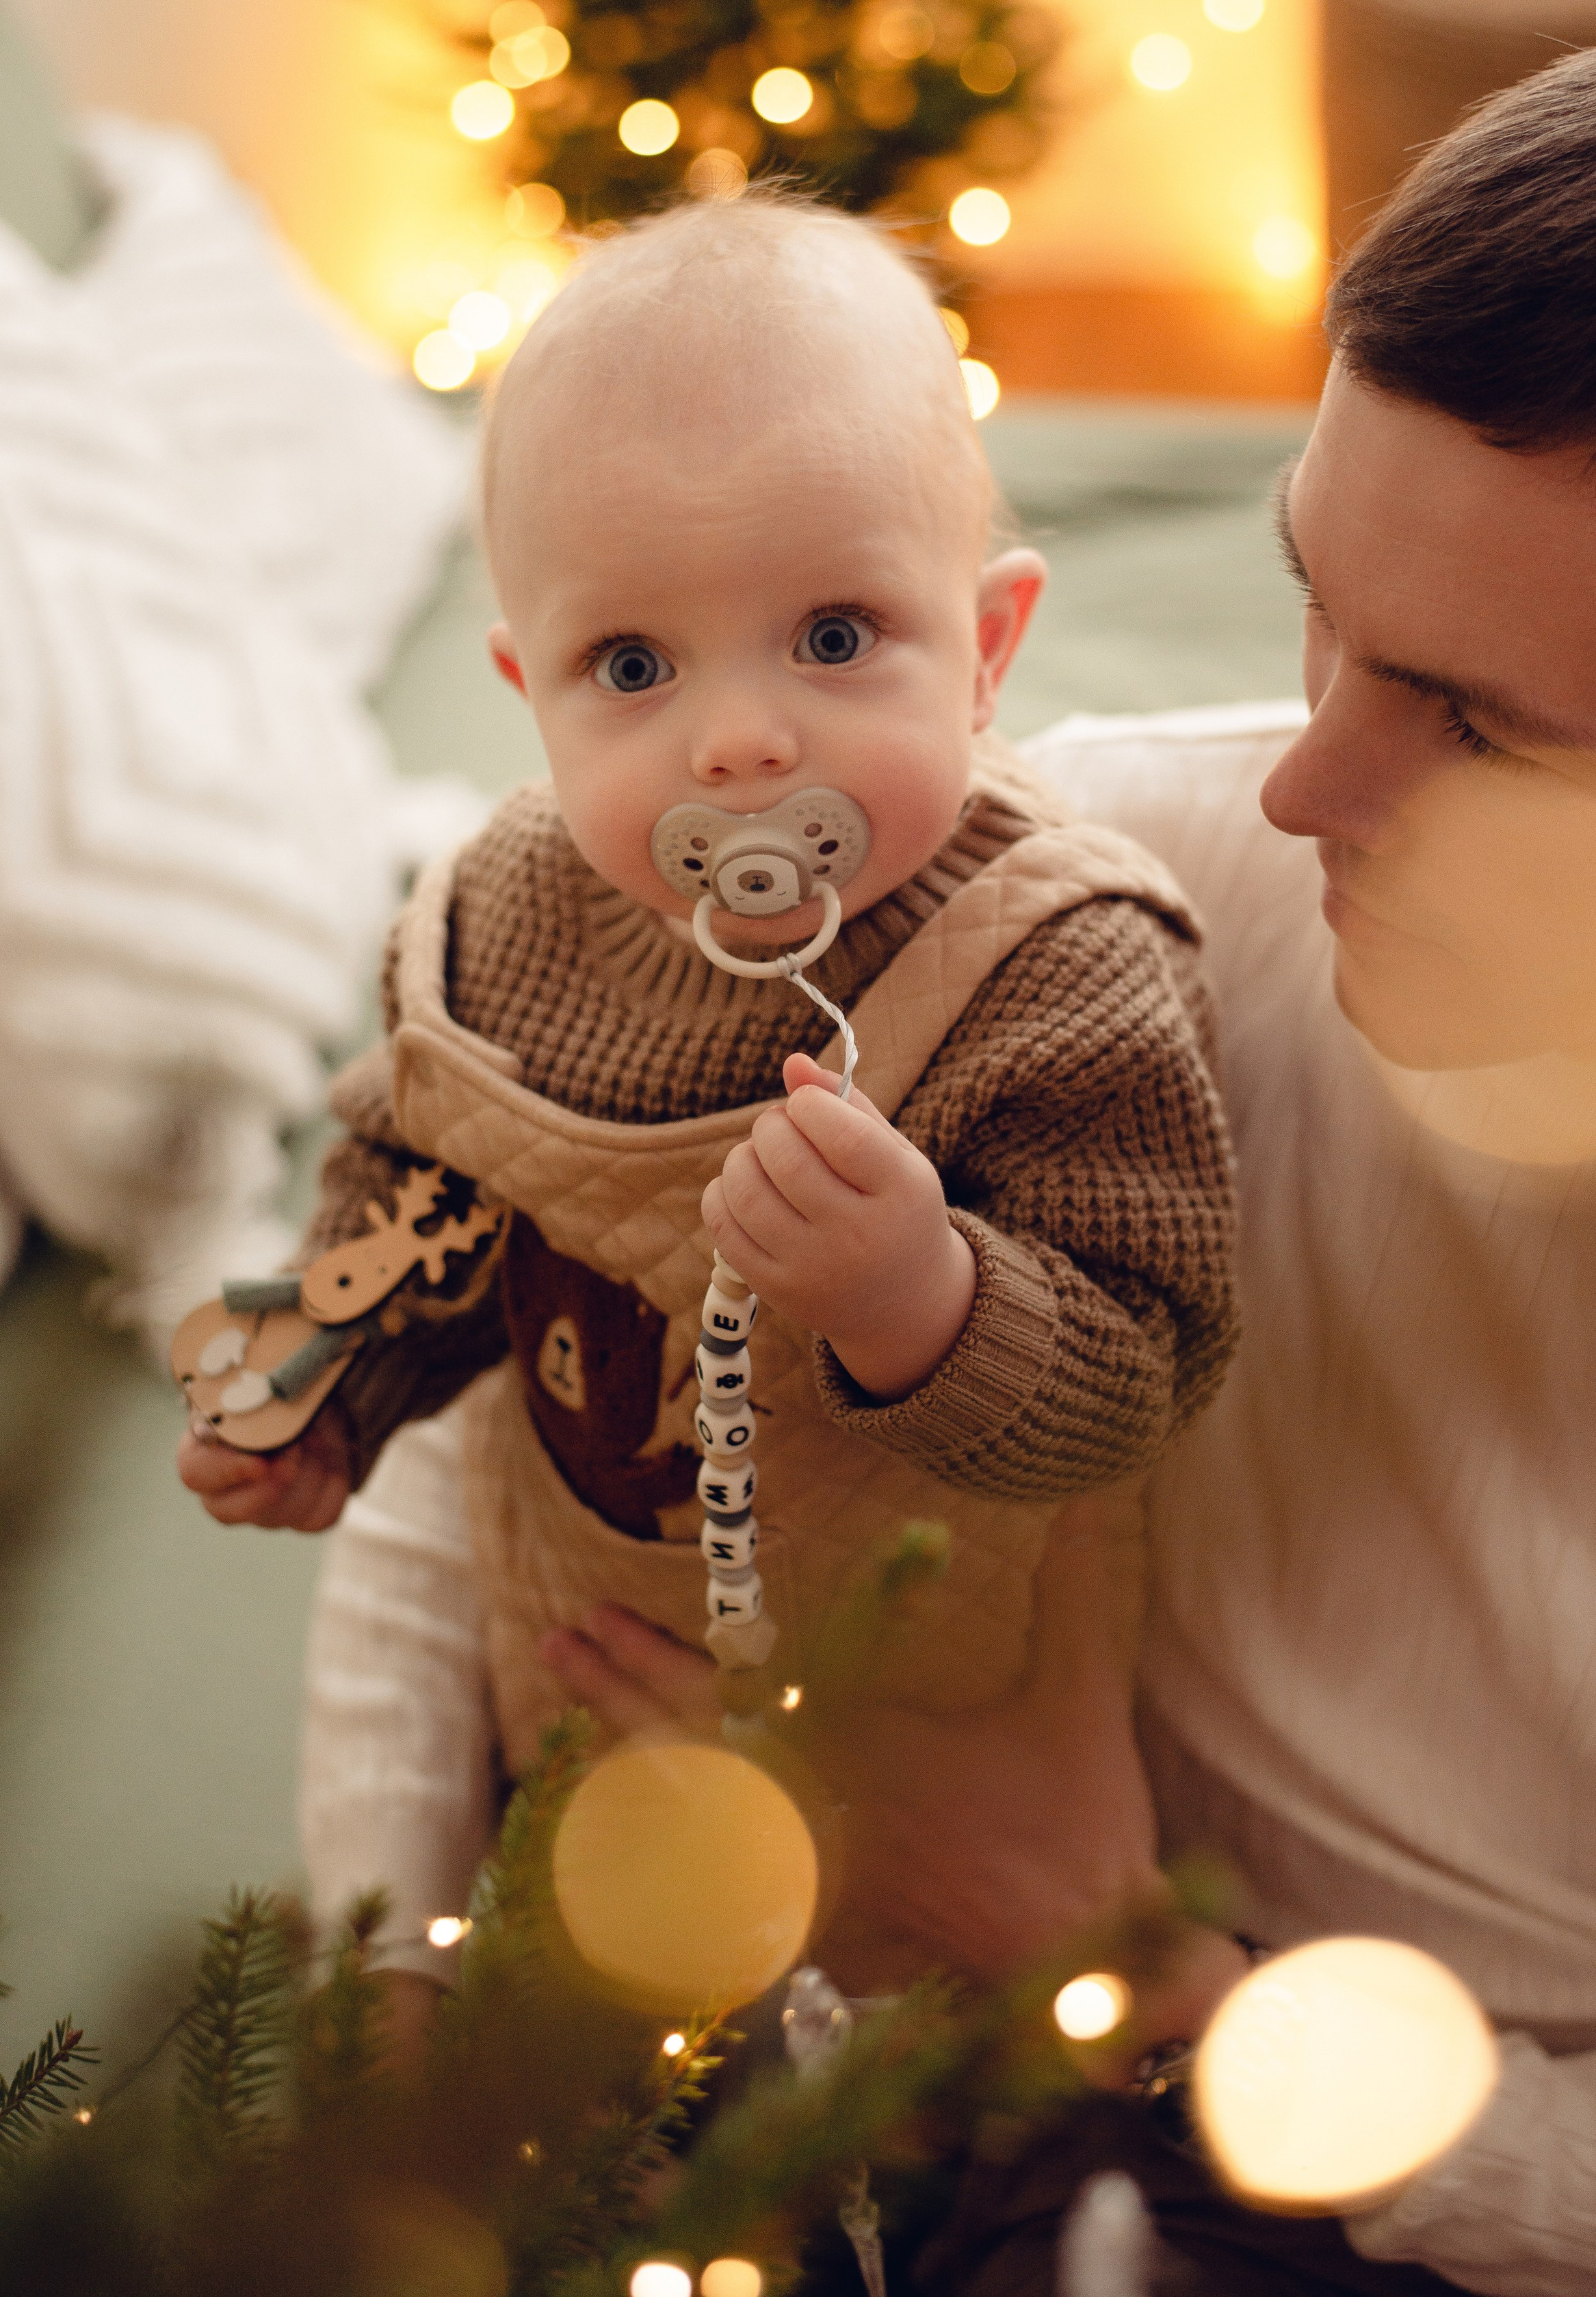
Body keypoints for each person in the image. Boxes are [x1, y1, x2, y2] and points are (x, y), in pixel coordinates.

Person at [541, 8, 1596, 2292]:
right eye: (1323, 602)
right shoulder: (1128, 881)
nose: (1303, 786)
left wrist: (1145, 1982)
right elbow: (553, 1251)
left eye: (1474, 720)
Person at [176, 187, 1238, 1977]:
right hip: (580, 1699)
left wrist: (924, 1292)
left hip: (929, 1752)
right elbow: (421, 1196)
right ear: (531, 692)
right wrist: (329, 1391)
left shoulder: (1054, 963)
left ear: (985, 647)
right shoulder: (501, 914)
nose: (738, 736)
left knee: (920, 2161)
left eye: (834, 635)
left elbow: (1145, 1371)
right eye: (635, 665)